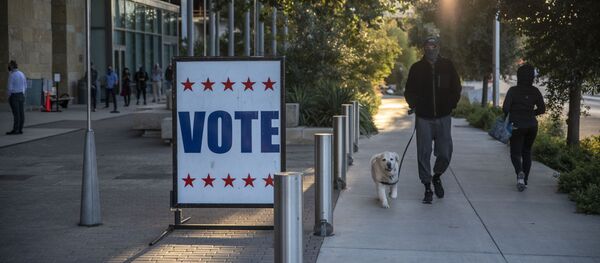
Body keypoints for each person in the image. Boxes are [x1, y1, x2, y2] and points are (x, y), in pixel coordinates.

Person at [404, 36, 462, 204]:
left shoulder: (448, 66)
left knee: (445, 152)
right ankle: (427, 186)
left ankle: (437, 176)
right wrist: (414, 104)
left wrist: (451, 103)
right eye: (428, 46)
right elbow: (409, 91)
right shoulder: (416, 68)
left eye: (434, 45)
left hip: (443, 116)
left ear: (439, 47)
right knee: (423, 153)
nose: (431, 48)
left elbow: (456, 87)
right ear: (424, 48)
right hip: (423, 118)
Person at [502, 64, 545, 192]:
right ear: (532, 77)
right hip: (532, 125)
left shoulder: (513, 91)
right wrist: (531, 114)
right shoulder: (535, 91)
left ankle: (519, 173)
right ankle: (524, 181)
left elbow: (505, 109)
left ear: (519, 76)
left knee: (515, 153)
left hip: (517, 125)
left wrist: (511, 115)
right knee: (527, 152)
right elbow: (542, 109)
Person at [6, 60, 27, 135]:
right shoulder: (22, 73)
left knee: (16, 114)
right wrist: (22, 93)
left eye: (9, 65)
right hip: (21, 95)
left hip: (14, 96)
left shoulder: (12, 75)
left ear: (12, 66)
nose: (8, 67)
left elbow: (9, 88)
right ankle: (20, 129)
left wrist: (9, 96)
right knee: (21, 113)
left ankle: (15, 130)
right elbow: (25, 85)